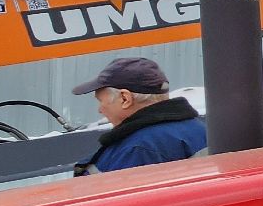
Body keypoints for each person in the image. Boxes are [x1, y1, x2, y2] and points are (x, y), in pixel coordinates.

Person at [72, 57, 207, 173]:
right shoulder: (199, 129)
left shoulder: (138, 149)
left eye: (101, 101)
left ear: (125, 99)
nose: (100, 110)